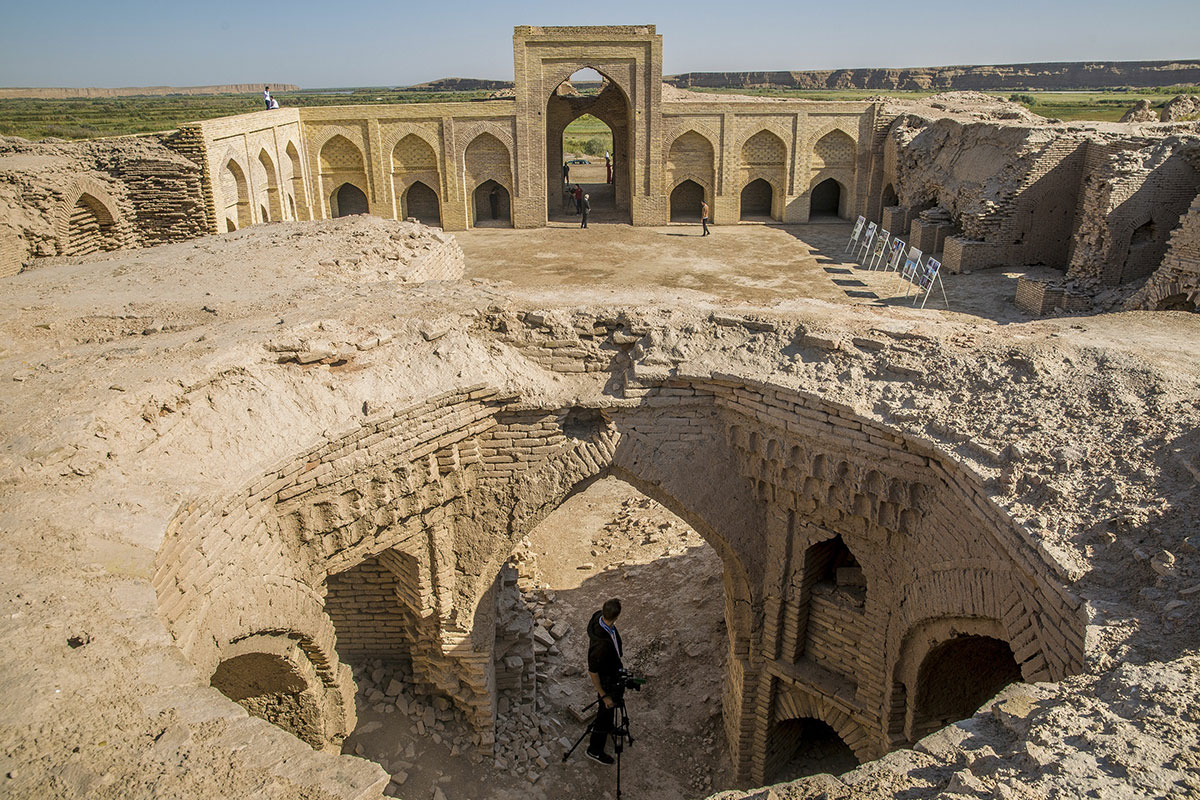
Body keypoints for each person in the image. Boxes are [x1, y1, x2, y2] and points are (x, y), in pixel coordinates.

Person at [586, 598, 623, 765]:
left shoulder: (599, 617)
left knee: (610, 710)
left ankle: (608, 727)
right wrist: (604, 695)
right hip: (606, 679)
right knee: (605, 710)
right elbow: (593, 672)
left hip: (612, 672)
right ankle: (594, 750)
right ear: (617, 616)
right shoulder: (599, 646)